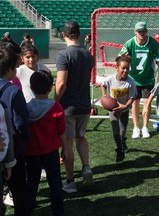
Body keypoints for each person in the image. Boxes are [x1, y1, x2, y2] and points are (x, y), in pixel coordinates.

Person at [55, 20, 95, 193]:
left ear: (64, 35)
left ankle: (70, 181)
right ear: (79, 34)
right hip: (84, 104)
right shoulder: (88, 55)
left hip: (68, 107)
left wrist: (54, 101)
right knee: (81, 137)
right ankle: (86, 166)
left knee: (68, 144)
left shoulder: (63, 55)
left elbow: (61, 83)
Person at [119, 21, 159, 139]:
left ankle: (145, 127)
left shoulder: (152, 43)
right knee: (135, 103)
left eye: (143, 31)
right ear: (135, 32)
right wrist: (124, 60)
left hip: (148, 78)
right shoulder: (130, 43)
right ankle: (136, 128)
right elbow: (120, 57)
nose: (141, 33)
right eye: (139, 31)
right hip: (133, 78)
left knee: (147, 103)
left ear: (147, 31)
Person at [25, 70, 66, 216]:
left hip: (31, 153)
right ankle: (58, 212)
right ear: (50, 88)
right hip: (50, 152)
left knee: (31, 184)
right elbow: (62, 132)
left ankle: (27, 210)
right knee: (55, 184)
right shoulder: (56, 107)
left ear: (31, 87)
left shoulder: (26, 108)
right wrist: (65, 150)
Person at [0, 43, 30, 216]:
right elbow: (20, 124)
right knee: (19, 192)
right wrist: (26, 139)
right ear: (11, 68)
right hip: (12, 150)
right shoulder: (14, 92)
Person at [101, 55, 137, 162]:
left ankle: (122, 141)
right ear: (117, 68)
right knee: (116, 132)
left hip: (124, 110)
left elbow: (132, 97)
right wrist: (104, 97)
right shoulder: (111, 79)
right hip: (113, 110)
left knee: (122, 131)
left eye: (128, 68)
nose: (126, 70)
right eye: (123, 68)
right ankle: (120, 151)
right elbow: (103, 85)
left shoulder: (130, 83)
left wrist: (125, 106)